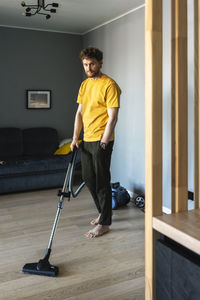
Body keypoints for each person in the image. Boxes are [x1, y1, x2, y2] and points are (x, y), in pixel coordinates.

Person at [70, 46, 121, 238]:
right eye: (85, 64)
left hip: (101, 140)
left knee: (102, 181)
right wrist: (75, 137)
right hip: (86, 139)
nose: (88, 68)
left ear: (100, 63)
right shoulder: (85, 85)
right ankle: (104, 211)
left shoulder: (110, 85)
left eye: (92, 64)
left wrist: (104, 141)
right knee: (89, 179)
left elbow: (113, 117)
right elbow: (80, 113)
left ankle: (105, 223)